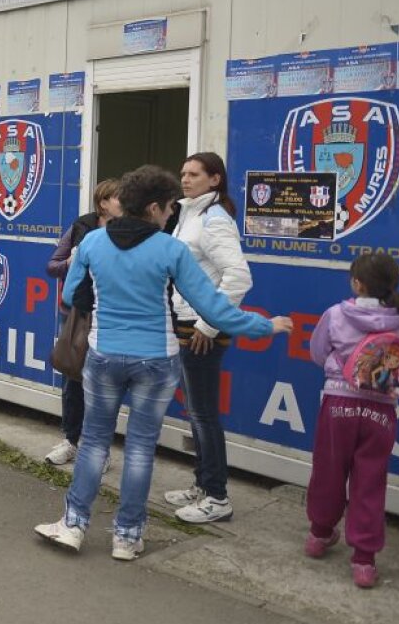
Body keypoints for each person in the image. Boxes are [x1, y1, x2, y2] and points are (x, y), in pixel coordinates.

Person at [33, 165, 292, 560]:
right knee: (139, 448)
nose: (172, 213)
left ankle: (73, 526)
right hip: (157, 359)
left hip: (103, 356)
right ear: (153, 208)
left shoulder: (93, 243)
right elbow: (213, 308)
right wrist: (265, 326)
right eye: (170, 207)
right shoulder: (170, 249)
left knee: (94, 444)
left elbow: (70, 294)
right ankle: (127, 536)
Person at [306, 253, 399, 589]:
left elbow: (316, 352)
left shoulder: (337, 314)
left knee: (329, 470)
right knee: (370, 480)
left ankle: (319, 534)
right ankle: (364, 561)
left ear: (357, 283)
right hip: (381, 410)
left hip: (338, 404)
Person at [163, 153, 253, 524]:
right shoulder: (190, 213)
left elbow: (238, 278)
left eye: (194, 174)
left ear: (215, 179)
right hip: (186, 322)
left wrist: (207, 325)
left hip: (201, 330)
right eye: (182, 172)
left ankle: (217, 497)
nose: (185, 179)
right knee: (196, 412)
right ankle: (203, 484)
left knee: (204, 414)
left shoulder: (215, 220)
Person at [44, 178, 121, 467]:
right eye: (118, 198)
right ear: (103, 203)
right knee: (73, 378)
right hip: (77, 315)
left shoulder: (131, 230)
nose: (124, 203)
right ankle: (71, 441)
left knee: (104, 383)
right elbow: (52, 265)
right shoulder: (81, 227)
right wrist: (71, 262)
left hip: (111, 316)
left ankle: (100, 448)